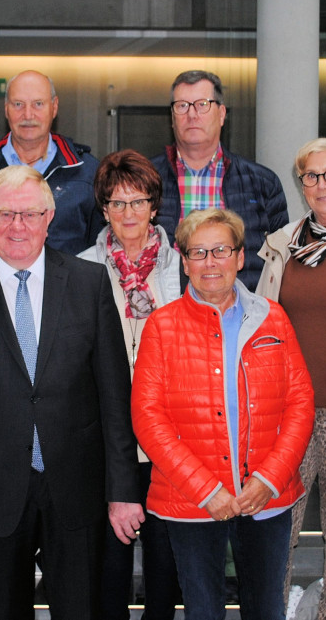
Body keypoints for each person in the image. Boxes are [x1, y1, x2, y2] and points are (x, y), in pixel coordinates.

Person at [0, 165, 143, 619]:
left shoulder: (89, 282)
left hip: (77, 488)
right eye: (5, 214)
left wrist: (123, 490)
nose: (16, 227)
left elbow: (116, 398)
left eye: (29, 215)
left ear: (49, 217)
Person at [132, 208, 314, 620]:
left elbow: (300, 403)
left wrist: (269, 479)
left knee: (266, 609)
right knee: (203, 612)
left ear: (239, 256)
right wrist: (206, 490)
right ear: (184, 262)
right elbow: (148, 417)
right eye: (198, 252)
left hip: (265, 498)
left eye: (220, 250)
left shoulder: (273, 317)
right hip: (191, 500)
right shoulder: (161, 326)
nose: (210, 263)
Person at [255, 138, 326, 620]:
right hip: (290, 414)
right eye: (310, 176)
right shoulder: (282, 244)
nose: (320, 184)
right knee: (278, 528)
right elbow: (261, 328)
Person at [77, 149, 181, 620]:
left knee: (165, 566)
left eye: (137, 202)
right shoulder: (79, 271)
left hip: (170, 439)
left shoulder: (184, 268)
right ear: (103, 210)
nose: (128, 214)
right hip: (105, 439)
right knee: (108, 567)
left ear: (154, 206)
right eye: (117, 204)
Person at [151, 70, 288, 290]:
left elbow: (281, 262)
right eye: (182, 105)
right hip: (168, 312)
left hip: (241, 314)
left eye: (202, 104)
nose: (192, 114)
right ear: (172, 117)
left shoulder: (262, 183)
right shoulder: (145, 181)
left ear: (222, 114)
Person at [0, 70, 102, 256]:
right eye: (18, 104)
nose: (28, 114)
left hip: (68, 285)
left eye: (38, 104)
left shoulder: (87, 173)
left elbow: (99, 250)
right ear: (6, 109)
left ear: (54, 107)